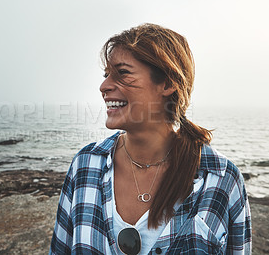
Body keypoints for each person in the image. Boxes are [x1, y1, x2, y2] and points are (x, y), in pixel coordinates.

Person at [50, 23, 251, 254]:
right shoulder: (86, 165)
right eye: (106, 75)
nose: (103, 86)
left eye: (122, 73)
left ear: (167, 83)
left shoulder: (221, 178)